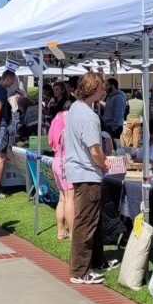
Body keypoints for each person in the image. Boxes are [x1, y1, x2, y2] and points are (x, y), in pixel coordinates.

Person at [63, 74, 108, 285]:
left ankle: (91, 263)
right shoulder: (88, 115)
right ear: (94, 89)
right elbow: (95, 150)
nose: (104, 91)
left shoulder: (74, 109)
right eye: (101, 87)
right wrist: (105, 163)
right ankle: (80, 271)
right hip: (87, 172)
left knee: (88, 221)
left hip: (78, 170)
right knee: (86, 223)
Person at [49, 99, 76, 241]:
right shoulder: (71, 119)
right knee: (71, 199)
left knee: (62, 198)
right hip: (68, 162)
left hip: (56, 159)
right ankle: (72, 233)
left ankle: (60, 231)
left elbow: (50, 141)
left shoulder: (57, 118)